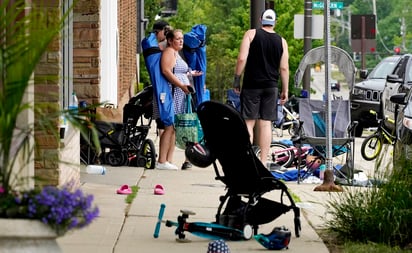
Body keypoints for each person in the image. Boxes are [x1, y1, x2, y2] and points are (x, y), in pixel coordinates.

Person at [233, 9, 289, 167]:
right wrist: (285, 89)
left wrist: (237, 79)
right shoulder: (281, 41)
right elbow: (284, 68)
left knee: (248, 123)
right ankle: (263, 162)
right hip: (271, 87)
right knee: (265, 124)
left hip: (252, 85)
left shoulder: (251, 34)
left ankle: (245, 161)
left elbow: (242, 58)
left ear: (260, 20)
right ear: (275, 22)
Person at [156, 28, 202, 170]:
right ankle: (162, 160)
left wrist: (190, 74)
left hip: (180, 93)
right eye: (177, 38)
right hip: (174, 92)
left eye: (182, 38)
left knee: (173, 128)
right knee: (169, 126)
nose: (181, 41)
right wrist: (181, 85)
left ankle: (168, 160)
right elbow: (166, 71)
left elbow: (178, 70)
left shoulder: (176, 52)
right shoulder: (169, 52)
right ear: (170, 40)